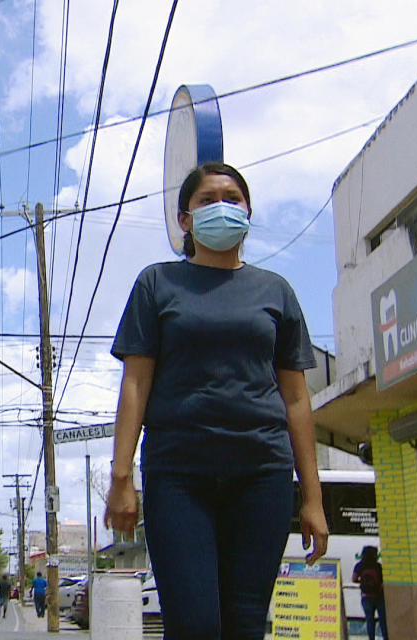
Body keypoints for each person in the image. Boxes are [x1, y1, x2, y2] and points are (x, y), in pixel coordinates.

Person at [103, 163, 329, 639]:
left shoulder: (277, 292)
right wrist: (121, 477)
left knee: (244, 625)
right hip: (178, 475)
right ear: (185, 220)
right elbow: (135, 385)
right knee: (195, 625)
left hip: (263, 475)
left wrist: (313, 498)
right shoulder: (156, 284)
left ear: (249, 212)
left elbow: (296, 398)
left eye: (233, 197)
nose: (222, 207)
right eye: (207, 200)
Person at [353, 545, 389, 640]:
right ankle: (386, 637)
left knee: (370, 620)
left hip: (366, 597)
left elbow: (354, 579)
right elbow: (382, 581)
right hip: (379, 596)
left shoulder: (359, 565)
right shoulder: (378, 566)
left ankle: (371, 638)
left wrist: (363, 583)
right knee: (383, 620)